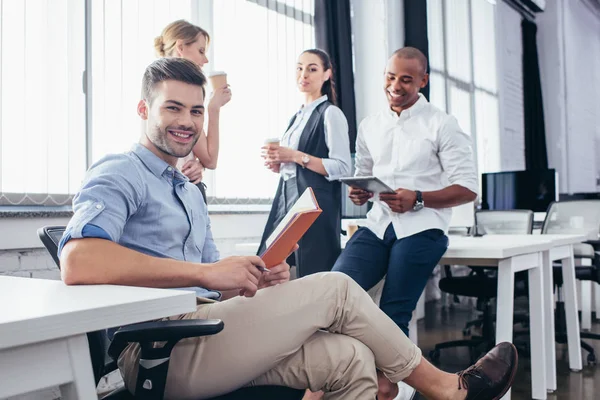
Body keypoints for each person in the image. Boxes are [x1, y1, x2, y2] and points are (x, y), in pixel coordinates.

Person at [58, 57, 517, 400]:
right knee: (337, 288)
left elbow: (210, 286)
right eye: (173, 108)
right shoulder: (120, 171)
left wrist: (245, 280)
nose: (187, 122)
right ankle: (447, 388)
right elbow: (78, 261)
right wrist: (206, 274)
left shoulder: (186, 187)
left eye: (197, 112)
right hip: (154, 350)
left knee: (352, 359)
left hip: (204, 329)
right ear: (143, 108)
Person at [332, 47, 479, 398]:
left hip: (423, 227)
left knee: (394, 308)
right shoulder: (370, 125)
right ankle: (345, 374)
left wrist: (420, 196)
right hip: (379, 223)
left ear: (423, 81)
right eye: (390, 76)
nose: (395, 85)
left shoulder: (442, 124)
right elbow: (364, 175)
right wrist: (360, 193)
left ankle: (388, 386)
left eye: (406, 79)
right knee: (336, 288)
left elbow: (468, 189)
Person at [258, 49, 351, 278]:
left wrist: (294, 156)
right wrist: (279, 164)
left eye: (312, 69)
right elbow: (295, 163)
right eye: (299, 68)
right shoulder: (296, 117)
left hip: (314, 201)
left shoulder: (331, 114)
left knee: (314, 267)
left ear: (327, 74)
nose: (304, 74)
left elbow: (343, 168)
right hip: (287, 195)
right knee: (267, 260)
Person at [154, 19, 232, 202]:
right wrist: (213, 109)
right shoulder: (160, 88)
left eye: (195, 111)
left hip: (184, 185)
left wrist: (199, 165)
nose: (205, 60)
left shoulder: (170, 87)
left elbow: (207, 159)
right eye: (201, 51)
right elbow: (210, 159)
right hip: (170, 191)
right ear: (180, 46)